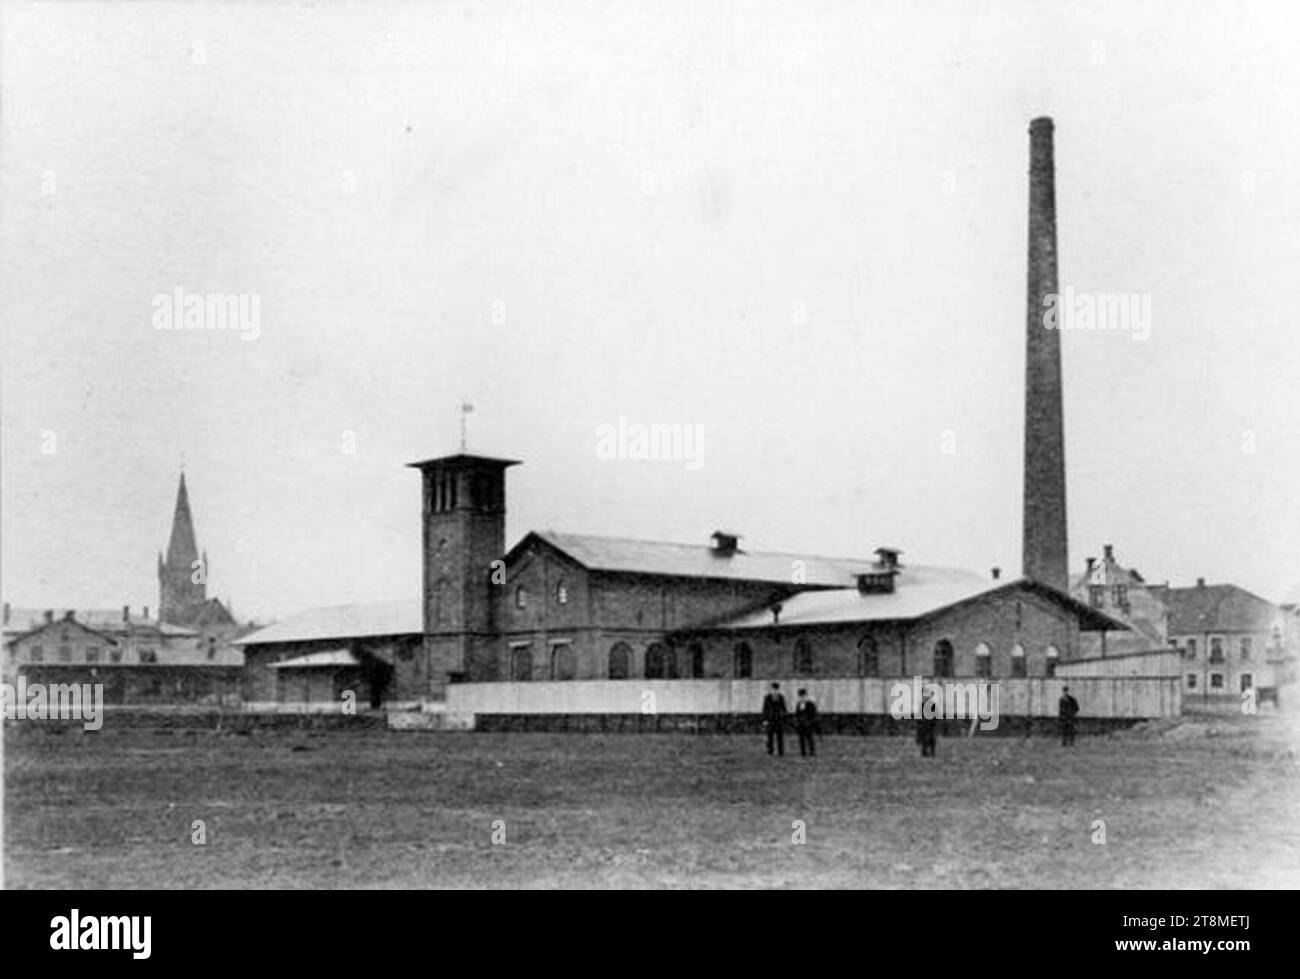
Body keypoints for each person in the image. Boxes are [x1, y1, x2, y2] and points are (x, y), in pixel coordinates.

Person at [761, 682, 788, 756]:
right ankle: (770, 751)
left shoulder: (781, 698)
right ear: (771, 689)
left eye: (776, 690)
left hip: (779, 719)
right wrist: (764, 719)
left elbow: (784, 708)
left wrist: (783, 716)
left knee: (780, 736)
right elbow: (764, 709)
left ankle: (780, 752)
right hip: (770, 719)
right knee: (770, 736)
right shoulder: (767, 698)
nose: (775, 691)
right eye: (773, 690)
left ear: (778, 690)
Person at [794, 688, 819, 757]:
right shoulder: (798, 704)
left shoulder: (810, 704)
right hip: (801, 724)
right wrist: (797, 721)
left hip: (808, 724)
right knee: (801, 739)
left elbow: (814, 714)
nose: (802, 698)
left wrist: (810, 722)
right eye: (800, 697)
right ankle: (803, 752)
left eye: (803, 696)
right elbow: (797, 714)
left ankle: (812, 752)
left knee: (810, 738)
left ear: (806, 696)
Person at [916, 693, 938, 757]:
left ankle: (932, 752)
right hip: (923, 725)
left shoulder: (933, 705)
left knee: (931, 739)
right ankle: (924, 752)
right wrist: (920, 723)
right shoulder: (922, 705)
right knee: (923, 739)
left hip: (930, 725)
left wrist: (934, 722)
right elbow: (919, 715)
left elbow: (936, 715)